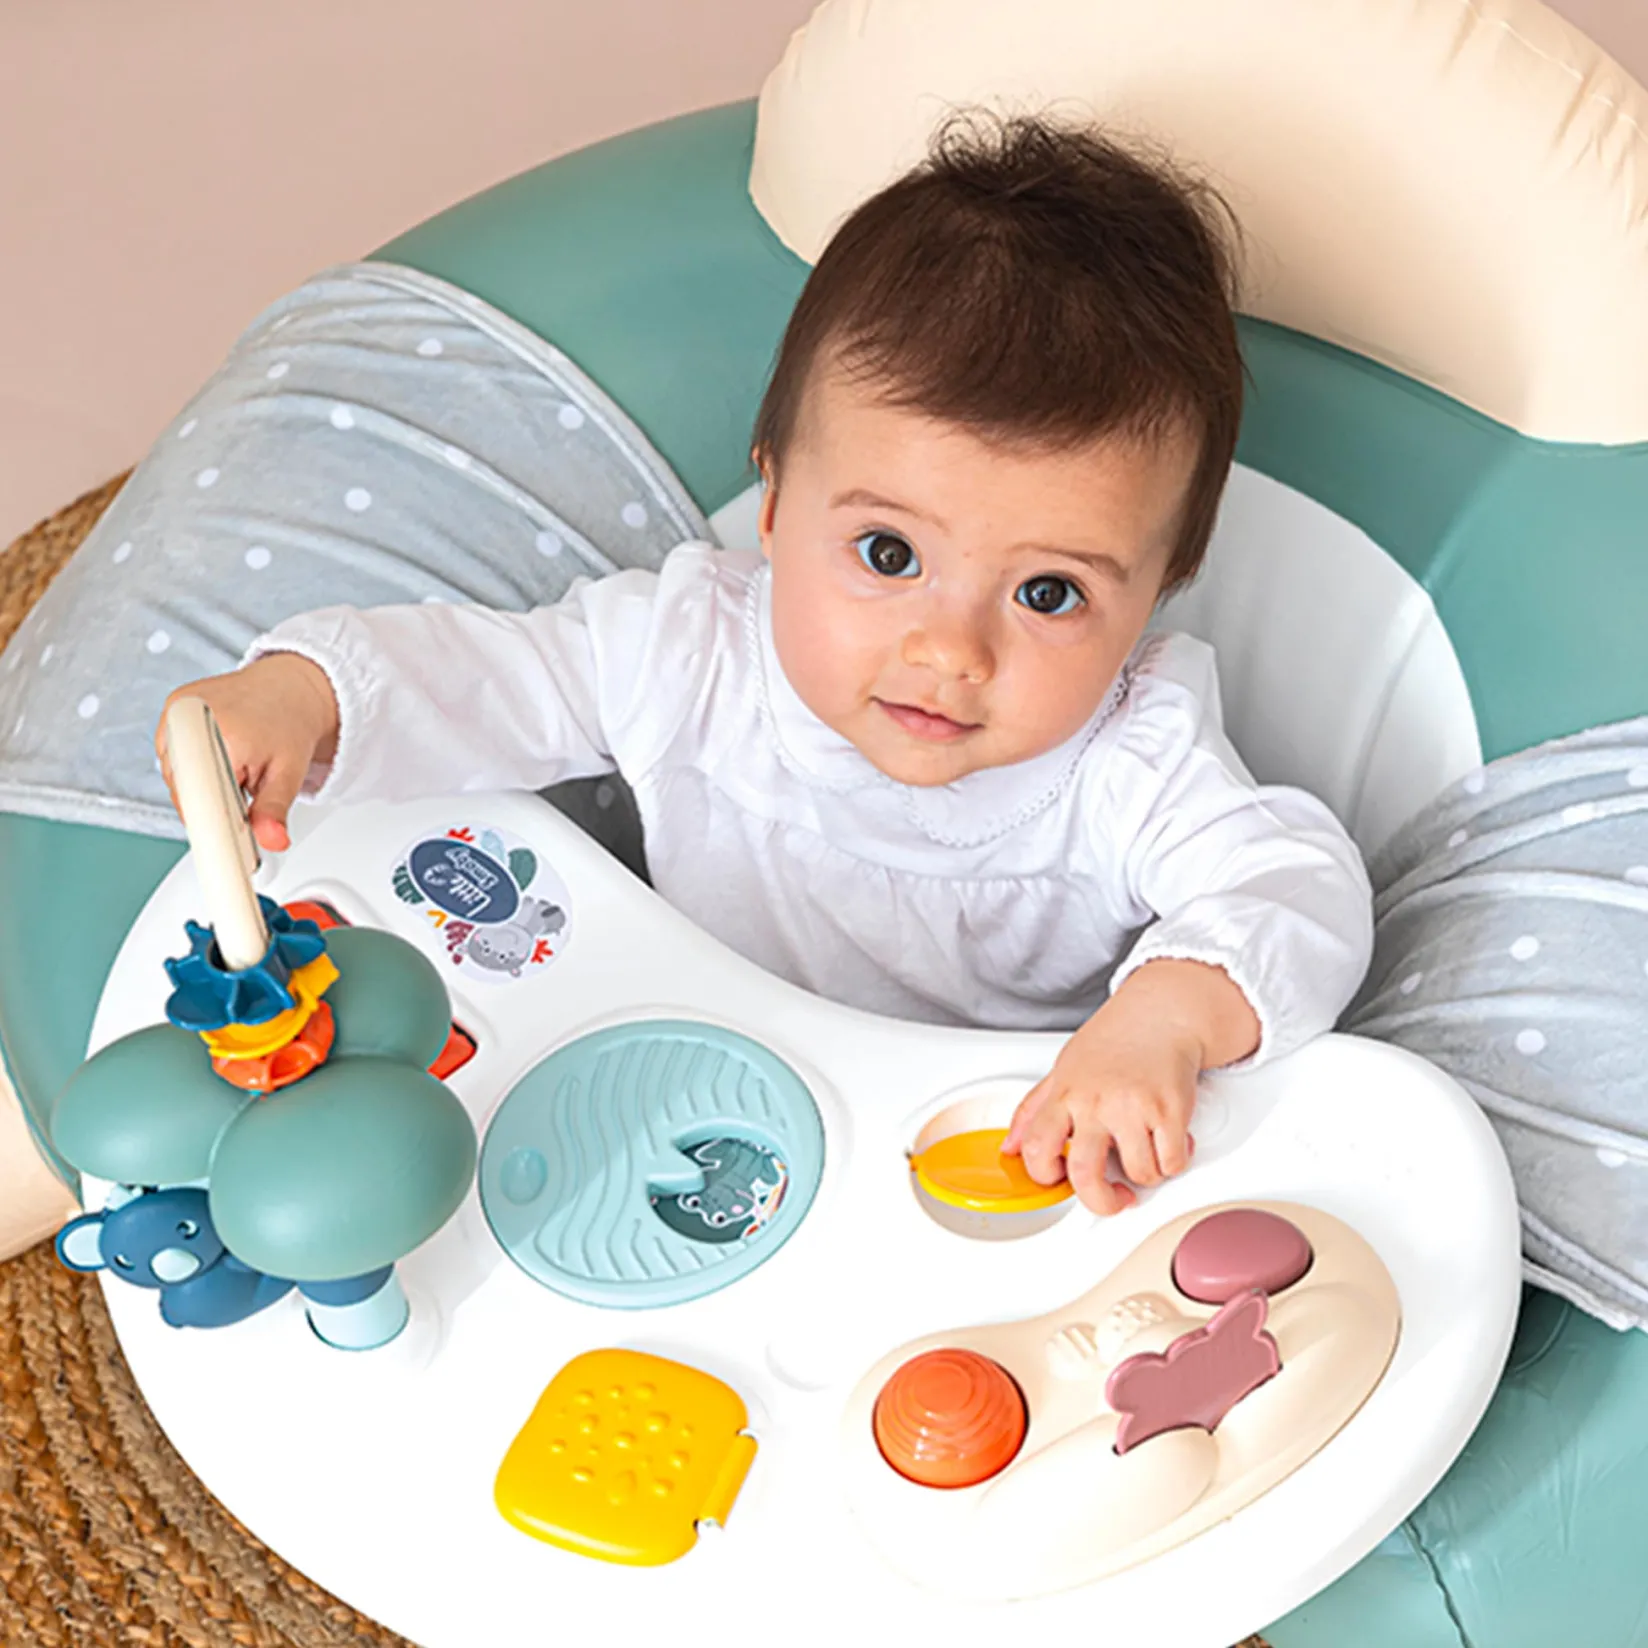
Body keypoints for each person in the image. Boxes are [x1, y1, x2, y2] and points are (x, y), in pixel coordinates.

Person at [158, 115, 1372, 1218]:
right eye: (888, 553)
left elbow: (1292, 885)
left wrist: (1159, 1020)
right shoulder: (688, 650)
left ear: (1157, 590)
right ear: (777, 509)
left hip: (977, 1168)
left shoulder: (1131, 754)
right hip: (683, 1101)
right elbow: (489, 679)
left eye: (1047, 593)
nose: (950, 651)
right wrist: (306, 693)